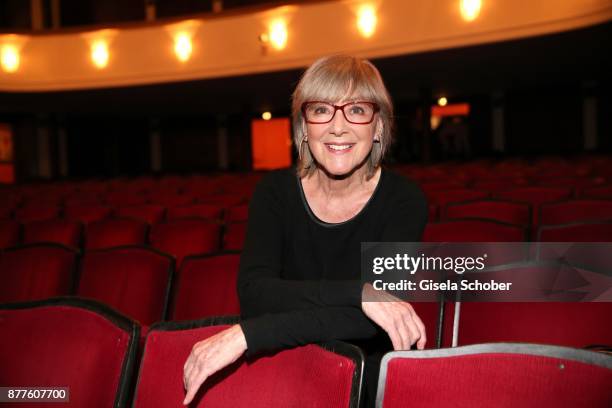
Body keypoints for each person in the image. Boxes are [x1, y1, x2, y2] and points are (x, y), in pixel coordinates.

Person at [182, 55, 428, 407]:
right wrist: (360, 292)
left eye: (357, 110)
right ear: (304, 126)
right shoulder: (274, 193)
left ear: (378, 127)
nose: (337, 127)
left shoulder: (404, 200)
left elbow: (369, 324)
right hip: (282, 371)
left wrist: (249, 335)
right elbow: (256, 295)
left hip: (366, 387)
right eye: (321, 110)